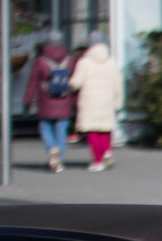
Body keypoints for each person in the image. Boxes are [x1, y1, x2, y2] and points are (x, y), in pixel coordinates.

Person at [21, 41, 72, 173]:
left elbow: (33, 82)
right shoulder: (69, 60)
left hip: (46, 100)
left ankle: (52, 148)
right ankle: (59, 158)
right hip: (64, 99)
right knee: (61, 128)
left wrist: (28, 99)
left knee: (45, 126)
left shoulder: (40, 61)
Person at [68, 43, 120, 172]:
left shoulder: (84, 63)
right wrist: (118, 101)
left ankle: (98, 161)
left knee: (92, 131)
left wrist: (70, 84)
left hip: (89, 101)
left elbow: (77, 82)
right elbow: (117, 84)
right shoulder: (111, 62)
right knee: (105, 129)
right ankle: (107, 152)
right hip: (106, 100)